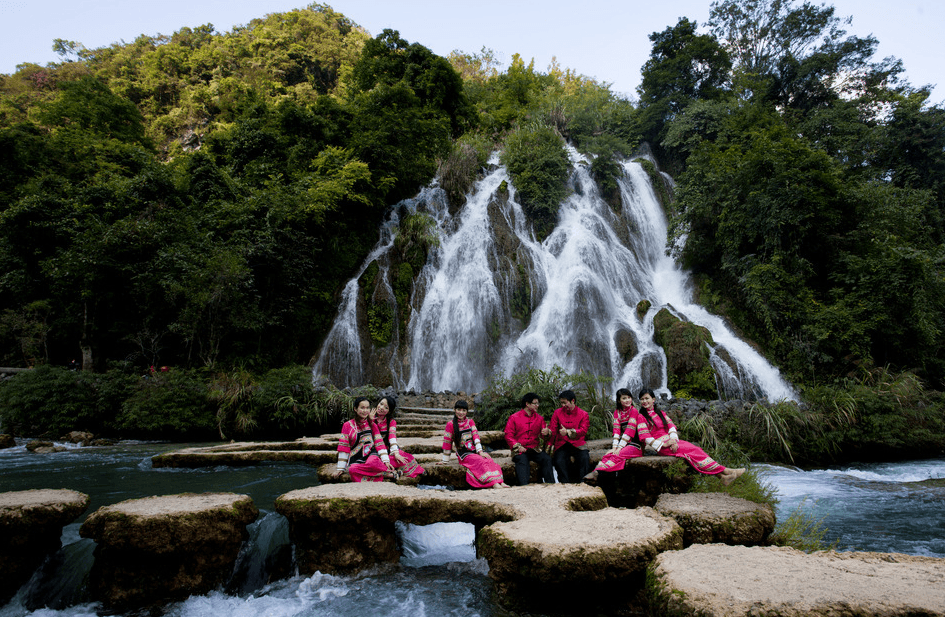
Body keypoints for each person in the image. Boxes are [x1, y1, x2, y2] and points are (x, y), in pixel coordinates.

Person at [637, 388, 745, 485]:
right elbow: (645, 436)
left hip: (672, 441)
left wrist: (673, 440)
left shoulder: (660, 412)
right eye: (642, 399)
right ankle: (726, 471)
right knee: (693, 451)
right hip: (662, 447)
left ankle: (721, 477)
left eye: (647, 398)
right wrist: (664, 444)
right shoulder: (641, 416)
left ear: (653, 399)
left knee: (696, 449)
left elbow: (671, 426)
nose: (644, 401)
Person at [436, 400, 509, 489]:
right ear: (454, 410)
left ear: (467, 412)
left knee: (488, 459)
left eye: (464, 410)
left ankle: (500, 482)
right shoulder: (450, 424)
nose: (461, 412)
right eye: (459, 409)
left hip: (474, 451)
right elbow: (447, 443)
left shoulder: (470, 422)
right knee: (480, 461)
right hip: (464, 455)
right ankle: (494, 483)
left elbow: (476, 437)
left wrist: (480, 451)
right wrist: (444, 461)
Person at [584, 388, 644, 483]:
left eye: (629, 397)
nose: (627, 400)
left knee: (617, 455)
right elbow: (616, 431)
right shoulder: (617, 412)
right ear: (619, 400)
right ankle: (598, 476)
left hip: (635, 444)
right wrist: (614, 447)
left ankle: (597, 473)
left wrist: (619, 448)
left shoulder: (634, 411)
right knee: (609, 454)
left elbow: (629, 430)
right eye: (624, 398)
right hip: (624, 444)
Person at [333, 397, 395, 482]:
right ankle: (388, 474)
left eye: (367, 408)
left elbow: (379, 442)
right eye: (362, 408)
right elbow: (344, 447)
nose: (365, 411)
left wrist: (385, 460)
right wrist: (340, 468)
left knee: (372, 462)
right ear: (355, 409)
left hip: (371, 455)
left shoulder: (372, 424)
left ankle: (382, 471)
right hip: (356, 458)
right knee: (352, 470)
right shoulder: (347, 425)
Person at [504, 392, 554, 485]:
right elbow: (508, 435)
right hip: (520, 449)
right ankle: (524, 487)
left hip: (535, 449)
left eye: (538, 403)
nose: (537, 405)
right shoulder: (514, 417)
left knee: (547, 459)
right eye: (535, 403)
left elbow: (545, 435)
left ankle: (551, 485)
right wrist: (518, 446)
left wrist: (547, 433)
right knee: (522, 461)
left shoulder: (540, 418)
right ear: (527, 404)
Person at [373, 395, 424, 478]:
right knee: (374, 461)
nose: (381, 407)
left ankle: (416, 471)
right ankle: (392, 471)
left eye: (386, 407)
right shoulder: (368, 418)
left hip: (387, 448)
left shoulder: (391, 422)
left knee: (403, 456)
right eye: (381, 404)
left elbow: (392, 436)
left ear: (389, 411)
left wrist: (396, 453)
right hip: (373, 450)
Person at [548, 389, 591, 483]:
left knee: (584, 458)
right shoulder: (557, 413)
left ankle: (583, 482)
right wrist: (547, 434)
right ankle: (565, 484)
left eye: (565, 402)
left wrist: (568, 432)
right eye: (561, 403)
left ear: (573, 401)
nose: (563, 405)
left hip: (578, 444)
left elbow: (583, 431)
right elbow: (553, 430)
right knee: (559, 460)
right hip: (562, 444)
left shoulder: (583, 414)